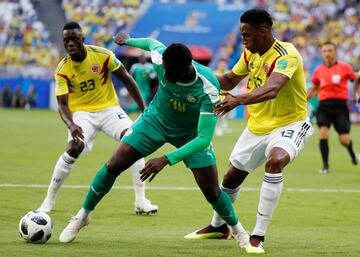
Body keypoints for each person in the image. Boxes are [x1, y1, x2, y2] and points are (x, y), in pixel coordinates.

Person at [58, 32, 250, 251]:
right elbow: (151, 43)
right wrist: (127, 41)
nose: (164, 74)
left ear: (186, 68)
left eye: (169, 71)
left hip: (190, 133)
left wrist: (166, 159)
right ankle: (83, 216)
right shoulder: (161, 60)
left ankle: (238, 231)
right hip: (155, 121)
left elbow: (204, 138)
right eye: (164, 68)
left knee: (212, 191)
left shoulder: (208, 87)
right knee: (113, 165)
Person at [184, 9, 313, 254]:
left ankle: (257, 235)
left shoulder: (287, 55)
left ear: (263, 31)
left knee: (275, 161)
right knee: (231, 178)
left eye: (246, 34)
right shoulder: (249, 54)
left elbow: (273, 88)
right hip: (257, 127)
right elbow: (228, 80)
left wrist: (238, 100)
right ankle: (219, 227)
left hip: (290, 123)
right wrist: (192, 72)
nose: (243, 39)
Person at [37, 22, 158, 215]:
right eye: (66, 39)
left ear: (82, 39)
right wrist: (71, 124)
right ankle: (48, 200)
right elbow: (62, 104)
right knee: (74, 147)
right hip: (83, 114)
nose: (70, 43)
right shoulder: (62, 69)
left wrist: (144, 109)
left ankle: (141, 200)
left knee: (134, 140)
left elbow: (127, 79)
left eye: (74, 38)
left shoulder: (102, 55)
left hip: (110, 109)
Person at [307, 42, 358, 173]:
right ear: (322, 53)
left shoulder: (345, 67)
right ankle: (325, 166)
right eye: (324, 51)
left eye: (330, 50)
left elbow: (356, 80)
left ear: (335, 52)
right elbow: (315, 87)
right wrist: (305, 99)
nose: (327, 53)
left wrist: (356, 94)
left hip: (340, 106)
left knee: (344, 139)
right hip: (324, 106)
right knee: (323, 133)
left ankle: (352, 153)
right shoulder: (318, 70)